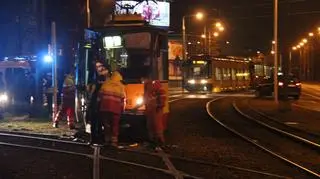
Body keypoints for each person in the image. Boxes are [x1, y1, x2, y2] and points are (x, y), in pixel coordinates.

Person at [98, 71, 125, 147]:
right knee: (115, 125)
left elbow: (99, 96)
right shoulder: (121, 86)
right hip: (116, 109)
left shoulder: (106, 84)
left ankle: (107, 140)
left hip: (105, 108)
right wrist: (122, 110)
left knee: (107, 124)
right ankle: (114, 142)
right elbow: (123, 99)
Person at [87, 60, 109, 145]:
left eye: (100, 66)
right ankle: (94, 138)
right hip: (94, 103)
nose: (99, 68)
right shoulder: (95, 78)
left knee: (100, 122)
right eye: (97, 66)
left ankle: (99, 138)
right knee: (94, 121)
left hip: (101, 103)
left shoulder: (106, 78)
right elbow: (91, 90)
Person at [143, 79, 165, 147]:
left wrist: (159, 106)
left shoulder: (151, 91)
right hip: (152, 110)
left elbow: (161, 99)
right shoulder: (150, 91)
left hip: (154, 110)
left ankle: (159, 141)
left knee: (156, 125)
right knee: (153, 126)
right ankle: (155, 141)